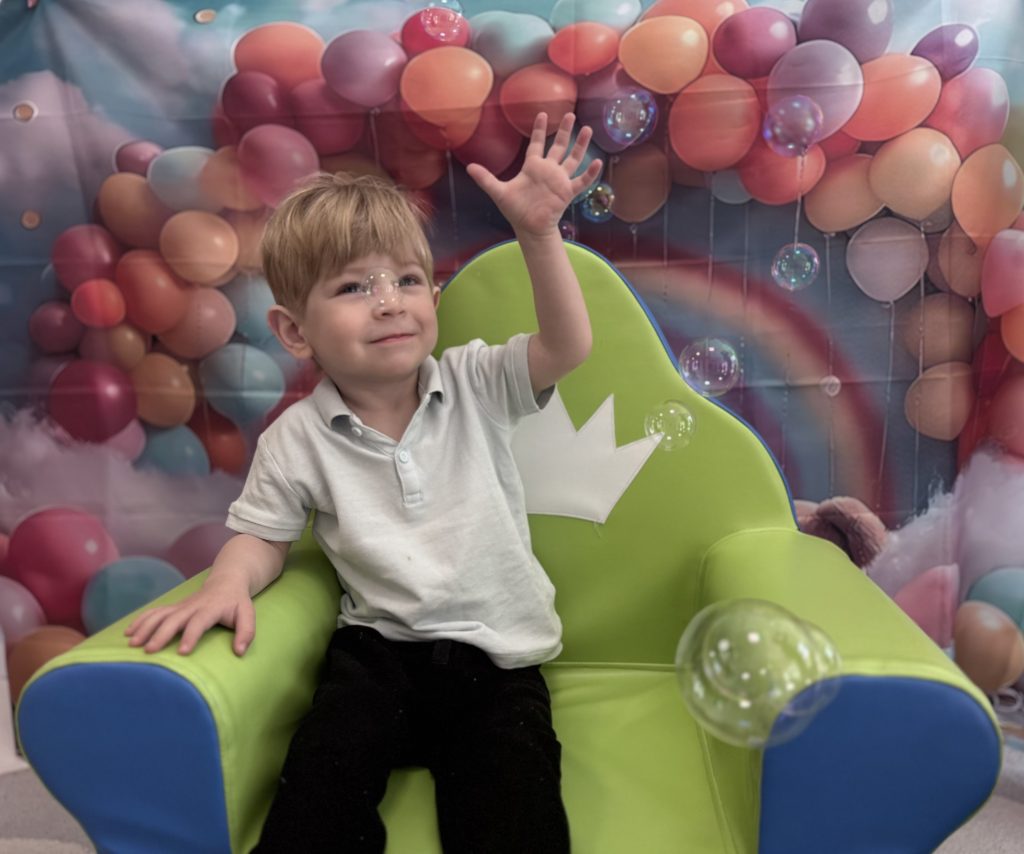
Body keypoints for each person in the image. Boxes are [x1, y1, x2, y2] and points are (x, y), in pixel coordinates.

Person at [124, 111, 603, 853]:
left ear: (431, 300)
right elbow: (262, 537)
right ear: (294, 331)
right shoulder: (296, 437)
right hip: (376, 656)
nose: (388, 301)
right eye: (353, 287)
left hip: (498, 661)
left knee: (516, 808)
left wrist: (539, 234)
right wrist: (226, 584)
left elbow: (568, 346)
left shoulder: (476, 382)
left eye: (407, 280)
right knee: (317, 794)